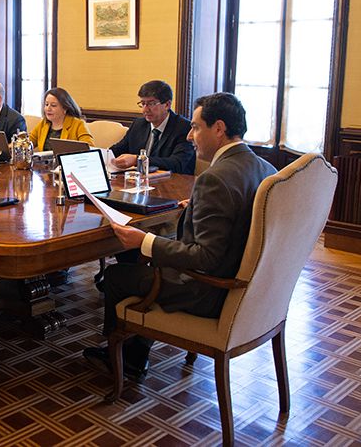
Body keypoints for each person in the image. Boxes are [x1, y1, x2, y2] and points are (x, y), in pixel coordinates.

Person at [83, 92, 276, 381]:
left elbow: (205, 257)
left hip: (208, 290)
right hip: (249, 287)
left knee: (117, 276)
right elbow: (235, 218)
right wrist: (196, 207)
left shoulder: (215, 178)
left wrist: (144, 241)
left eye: (195, 127)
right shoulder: (265, 169)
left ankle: (124, 359)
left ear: (219, 128)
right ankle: (137, 348)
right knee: (143, 266)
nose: (189, 135)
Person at [110, 80, 195, 174]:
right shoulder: (138, 124)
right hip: (140, 180)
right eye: (143, 103)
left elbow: (177, 163)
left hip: (173, 181)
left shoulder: (184, 128)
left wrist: (138, 159)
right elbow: (117, 150)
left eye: (151, 104)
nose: (145, 110)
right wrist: (102, 154)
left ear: (167, 105)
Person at [29, 87, 94, 151]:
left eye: (53, 105)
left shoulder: (78, 125)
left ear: (65, 108)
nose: (48, 109)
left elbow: (89, 148)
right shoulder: (44, 123)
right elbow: (29, 142)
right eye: (46, 104)